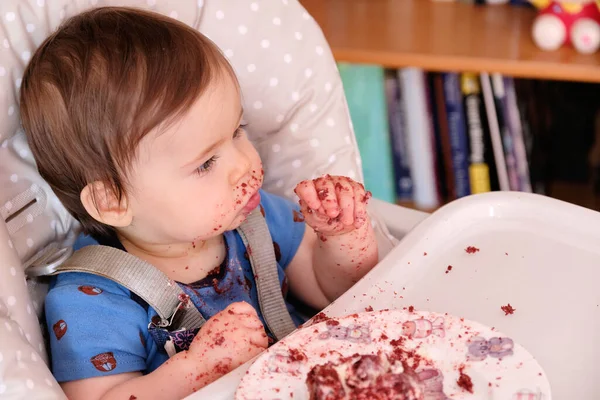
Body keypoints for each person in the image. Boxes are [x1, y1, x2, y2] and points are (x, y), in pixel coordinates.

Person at [20, 7, 378, 400]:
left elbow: (334, 292)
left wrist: (344, 238)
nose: (245, 165)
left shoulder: (254, 220)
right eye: (206, 162)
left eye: (238, 131)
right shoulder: (92, 300)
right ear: (112, 201)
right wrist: (195, 370)